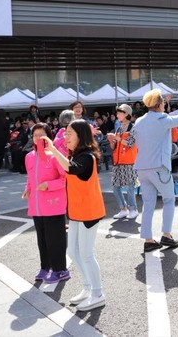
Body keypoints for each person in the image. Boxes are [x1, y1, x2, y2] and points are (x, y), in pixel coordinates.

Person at [43, 120, 106, 311]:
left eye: (70, 133)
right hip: (77, 212)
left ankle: (98, 294)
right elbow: (70, 167)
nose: (66, 137)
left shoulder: (87, 157)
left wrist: (54, 150)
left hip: (89, 212)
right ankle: (88, 288)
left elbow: (72, 168)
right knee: (73, 252)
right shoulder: (78, 155)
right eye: (66, 133)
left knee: (86, 254)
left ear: (81, 136)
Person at [132, 82, 178, 253]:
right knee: (169, 199)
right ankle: (166, 235)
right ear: (159, 104)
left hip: (142, 168)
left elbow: (173, 115)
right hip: (158, 167)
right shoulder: (162, 120)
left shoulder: (139, 121)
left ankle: (148, 239)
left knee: (148, 203)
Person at [23, 123, 69, 284]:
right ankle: (45, 267)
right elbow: (30, 177)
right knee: (42, 238)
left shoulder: (55, 155)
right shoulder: (29, 156)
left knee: (55, 238)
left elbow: (65, 179)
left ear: (48, 137)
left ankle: (60, 270)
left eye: (41, 135)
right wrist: (28, 189)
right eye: (35, 135)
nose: (37, 138)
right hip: (36, 205)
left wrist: (48, 185)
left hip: (53, 204)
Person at [108, 104, 139, 221]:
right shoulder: (119, 128)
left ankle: (133, 209)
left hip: (130, 162)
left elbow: (130, 143)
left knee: (130, 187)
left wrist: (117, 138)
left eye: (119, 113)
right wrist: (111, 141)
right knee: (115, 186)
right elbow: (115, 147)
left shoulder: (133, 128)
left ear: (126, 114)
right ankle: (123, 209)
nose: (117, 115)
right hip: (118, 162)